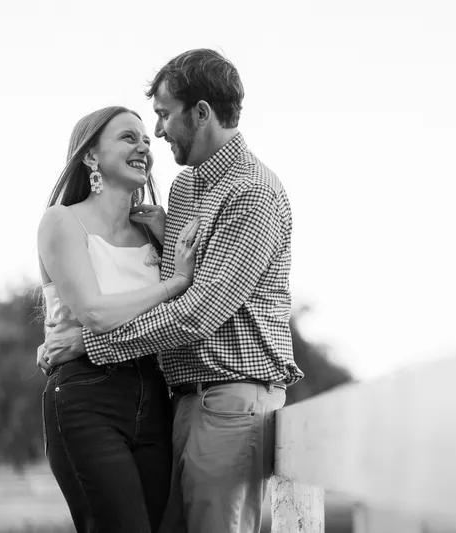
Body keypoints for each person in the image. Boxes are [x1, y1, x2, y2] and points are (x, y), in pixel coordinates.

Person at [40, 49, 304, 533]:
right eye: (138, 132)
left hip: (228, 399)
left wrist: (89, 343)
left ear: (200, 113)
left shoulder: (252, 192)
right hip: (177, 402)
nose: (156, 135)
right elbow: (136, 290)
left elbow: (196, 313)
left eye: (162, 116)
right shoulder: (182, 192)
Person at [37, 106, 201, 533]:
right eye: (129, 138)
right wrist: (174, 282)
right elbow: (93, 313)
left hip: (153, 393)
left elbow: (188, 317)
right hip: (87, 396)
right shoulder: (62, 220)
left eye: (147, 141)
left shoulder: (153, 233)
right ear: (91, 156)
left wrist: (169, 246)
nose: (144, 148)